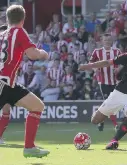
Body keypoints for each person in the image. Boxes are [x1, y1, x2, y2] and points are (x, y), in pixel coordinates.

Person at [0, 5, 49, 157]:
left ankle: (29, 148)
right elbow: (33, 54)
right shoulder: (19, 32)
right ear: (23, 19)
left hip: (10, 84)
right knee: (37, 107)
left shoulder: (2, 35)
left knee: (37, 106)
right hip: (4, 83)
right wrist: (43, 53)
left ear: (7, 19)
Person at [90, 33, 121, 131]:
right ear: (102, 41)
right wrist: (96, 69)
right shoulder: (97, 52)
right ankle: (116, 125)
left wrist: (118, 69)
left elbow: (124, 63)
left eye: (109, 40)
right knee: (110, 103)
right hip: (103, 82)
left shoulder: (117, 51)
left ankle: (101, 120)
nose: (107, 42)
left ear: (112, 41)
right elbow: (91, 63)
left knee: (110, 103)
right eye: (105, 40)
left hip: (115, 82)